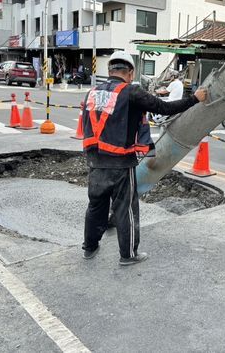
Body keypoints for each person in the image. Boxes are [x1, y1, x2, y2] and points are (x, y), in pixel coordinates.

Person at [82, 51, 207, 266]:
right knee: (126, 210)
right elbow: (164, 108)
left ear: (109, 71)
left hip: (95, 162)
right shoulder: (131, 92)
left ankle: (90, 248)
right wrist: (195, 99)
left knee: (96, 206)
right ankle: (128, 255)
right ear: (130, 73)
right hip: (121, 164)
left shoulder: (91, 93)